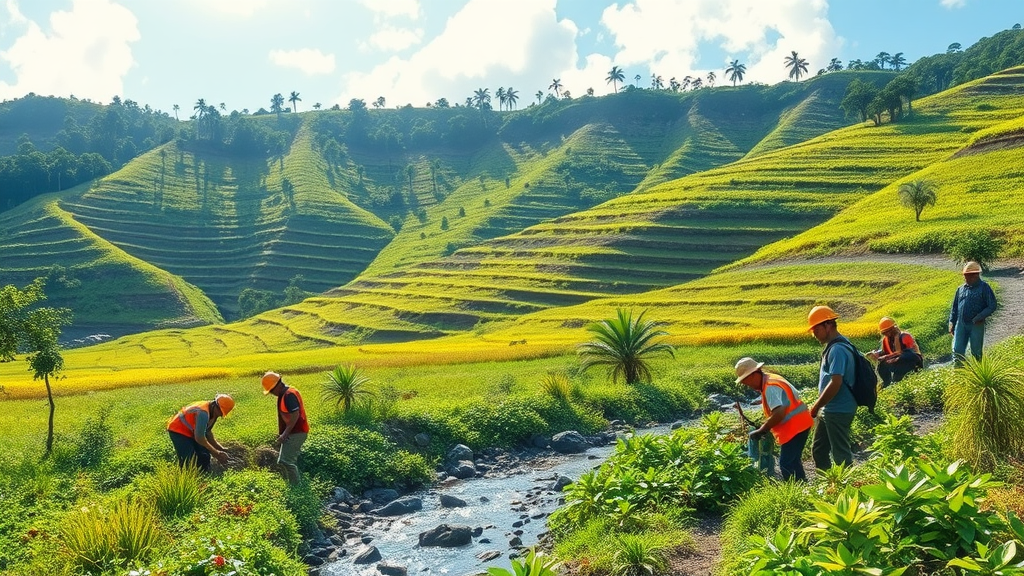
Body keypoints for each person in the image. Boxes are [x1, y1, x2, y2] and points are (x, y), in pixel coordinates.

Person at [734, 357, 813, 481]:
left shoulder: (770, 387)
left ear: (754, 374)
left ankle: (795, 492)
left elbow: (779, 413)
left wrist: (762, 429)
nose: (746, 384)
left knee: (786, 464)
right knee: (793, 461)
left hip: (794, 428)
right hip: (800, 424)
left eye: (745, 380)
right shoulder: (772, 379)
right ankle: (803, 487)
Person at [806, 305, 857, 470]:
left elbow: (836, 383)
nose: (814, 334)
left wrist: (816, 406)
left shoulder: (837, 349)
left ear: (828, 325)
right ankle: (829, 486)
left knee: (841, 455)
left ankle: (848, 491)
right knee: (819, 450)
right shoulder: (837, 345)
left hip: (839, 409)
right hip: (829, 409)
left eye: (816, 330)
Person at [262, 371, 309, 484]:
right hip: (294, 432)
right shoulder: (285, 394)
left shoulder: (288, 395)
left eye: (272, 391)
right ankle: (295, 483)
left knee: (285, 461)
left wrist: (285, 433)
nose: (272, 393)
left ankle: (296, 487)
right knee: (289, 460)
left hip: (296, 432)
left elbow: (295, 415)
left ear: (277, 385)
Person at [167, 394, 234, 472]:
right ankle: (188, 476)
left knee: (204, 455)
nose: (220, 415)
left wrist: (219, 448)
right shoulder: (203, 413)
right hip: (178, 430)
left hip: (191, 431)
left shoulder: (212, 412)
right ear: (215, 406)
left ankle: (204, 473)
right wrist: (216, 453)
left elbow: (208, 432)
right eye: (220, 412)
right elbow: (199, 438)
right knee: (189, 460)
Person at [949, 261, 997, 362]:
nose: (965, 278)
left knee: (976, 352)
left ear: (975, 275)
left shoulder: (984, 288)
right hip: (961, 324)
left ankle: (977, 373)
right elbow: (955, 307)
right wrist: (952, 322)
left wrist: (980, 316)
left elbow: (992, 305)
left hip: (976, 324)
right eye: (965, 276)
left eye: (968, 276)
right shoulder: (960, 289)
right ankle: (958, 373)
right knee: (957, 351)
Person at [867, 317, 923, 387]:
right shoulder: (886, 340)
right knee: (882, 364)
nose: (887, 334)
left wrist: (896, 337)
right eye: (885, 332)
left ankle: (913, 373)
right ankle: (886, 383)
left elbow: (908, 353)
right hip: (897, 363)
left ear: (894, 329)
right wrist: (876, 354)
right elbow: (885, 352)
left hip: (911, 361)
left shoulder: (905, 336)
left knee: (907, 354)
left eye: (889, 331)